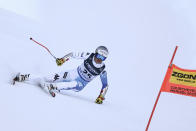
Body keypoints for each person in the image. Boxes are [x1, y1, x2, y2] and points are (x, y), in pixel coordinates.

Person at [14, 46, 109, 104]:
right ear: (95, 53)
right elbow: (73, 54)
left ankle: (52, 86)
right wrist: (62, 59)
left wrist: (101, 97)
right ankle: (24, 77)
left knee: (73, 84)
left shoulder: (102, 69)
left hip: (81, 83)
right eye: (99, 56)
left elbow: (105, 85)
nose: (99, 59)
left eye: (103, 58)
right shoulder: (89, 55)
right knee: (48, 77)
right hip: (73, 73)